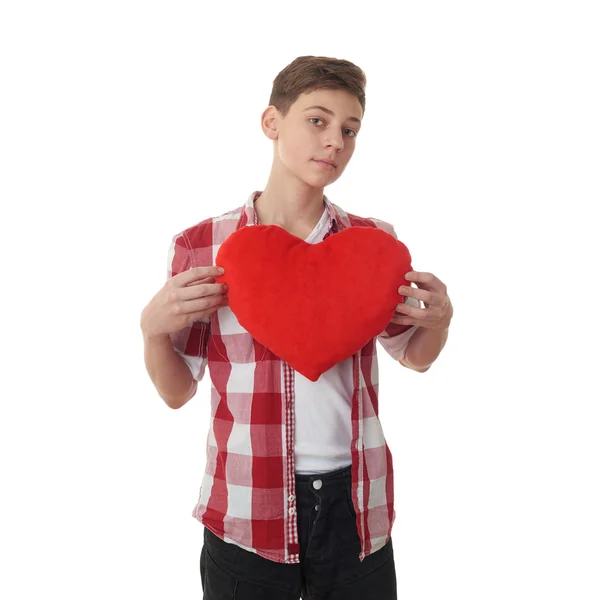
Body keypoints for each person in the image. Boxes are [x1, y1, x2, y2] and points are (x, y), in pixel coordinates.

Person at [140, 55, 453, 600]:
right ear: (272, 124)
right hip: (244, 503)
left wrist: (442, 321)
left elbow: (416, 355)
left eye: (350, 130)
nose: (335, 140)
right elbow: (176, 392)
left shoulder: (373, 242)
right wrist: (150, 330)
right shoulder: (201, 245)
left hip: (356, 504)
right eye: (318, 120)